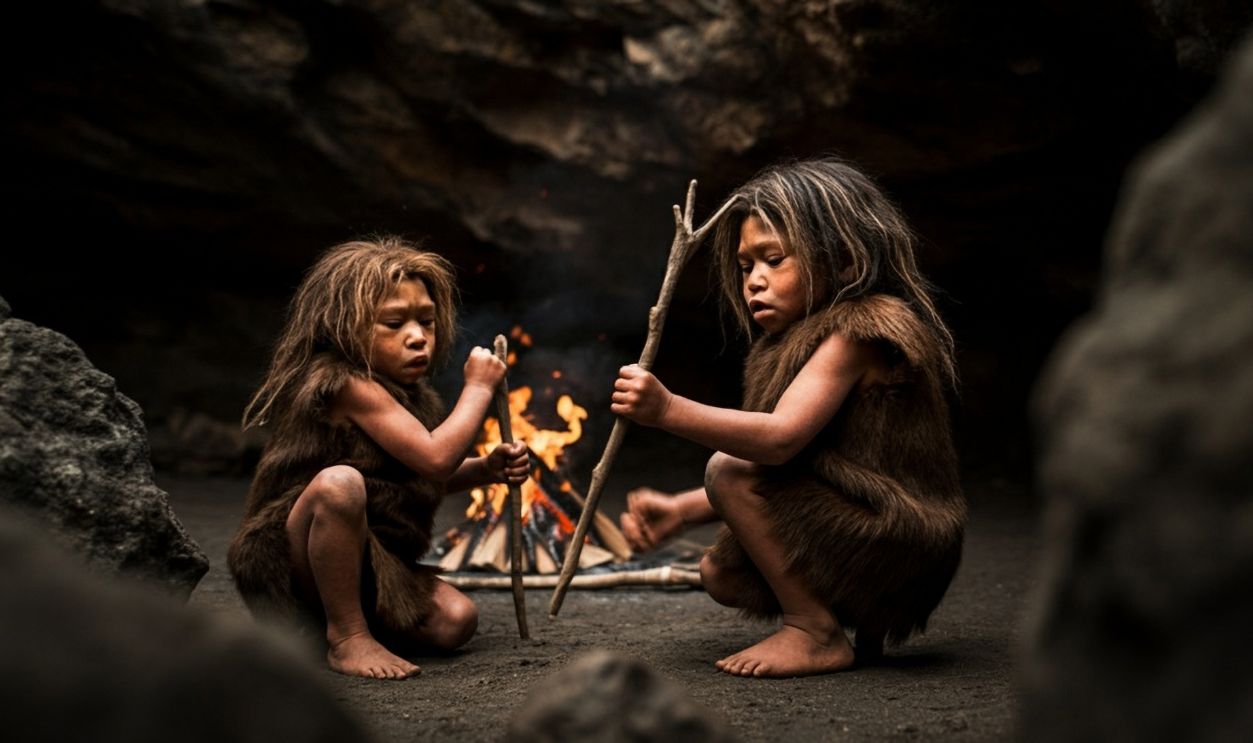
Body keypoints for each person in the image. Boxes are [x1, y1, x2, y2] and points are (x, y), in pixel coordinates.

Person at [613, 158, 967, 678]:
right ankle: (837, 627)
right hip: (866, 529)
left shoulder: (857, 330)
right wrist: (684, 510)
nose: (754, 280)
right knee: (720, 575)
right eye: (744, 265)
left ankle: (814, 631)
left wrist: (667, 410)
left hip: (901, 537)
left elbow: (778, 443)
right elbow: (800, 464)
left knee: (726, 469)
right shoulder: (786, 344)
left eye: (773, 259)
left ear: (845, 261)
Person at [227, 237, 529, 680]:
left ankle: (338, 625)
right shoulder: (343, 383)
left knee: (455, 621)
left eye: (426, 321)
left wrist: (485, 470)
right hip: (289, 562)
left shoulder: (413, 397)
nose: (417, 337)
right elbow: (435, 458)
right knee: (340, 484)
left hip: (377, 562)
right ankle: (347, 637)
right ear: (343, 328)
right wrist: (479, 389)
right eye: (393, 323)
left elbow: (412, 478)